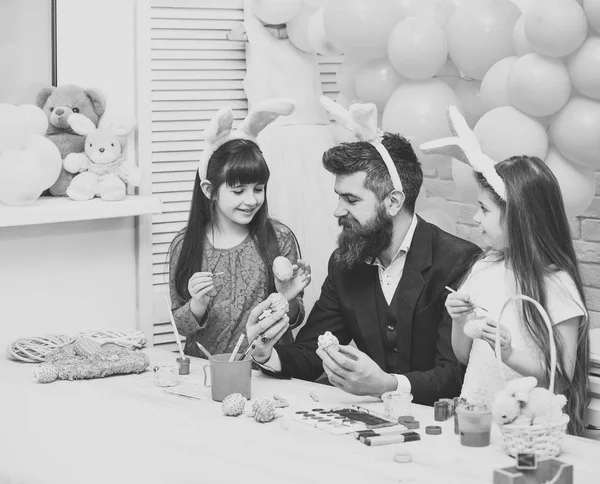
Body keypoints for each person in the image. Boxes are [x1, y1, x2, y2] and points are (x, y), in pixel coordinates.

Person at [245, 99, 482, 406]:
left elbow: (457, 374)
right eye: (338, 197)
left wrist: (387, 384)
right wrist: (266, 353)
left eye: (352, 200)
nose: (337, 211)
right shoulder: (345, 263)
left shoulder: (459, 262)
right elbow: (312, 352)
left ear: (393, 202)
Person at [429, 107, 590, 436]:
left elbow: (561, 374)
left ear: (518, 217)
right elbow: (463, 355)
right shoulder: (483, 268)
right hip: (474, 421)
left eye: (484, 209)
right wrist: (460, 322)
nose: (476, 219)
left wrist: (509, 353)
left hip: (526, 431)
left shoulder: (557, 284)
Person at [168, 100, 311, 358]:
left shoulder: (279, 237)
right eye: (238, 191)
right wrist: (197, 304)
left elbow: (294, 319)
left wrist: (287, 298)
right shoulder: (186, 244)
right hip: (208, 373)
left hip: (267, 371)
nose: (251, 200)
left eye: (258, 189)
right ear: (209, 190)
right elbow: (180, 327)